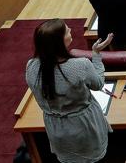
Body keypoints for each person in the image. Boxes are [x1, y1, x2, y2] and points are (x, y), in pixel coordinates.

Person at [25, 19, 115, 163]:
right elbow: (98, 84)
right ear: (59, 41)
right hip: (85, 127)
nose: (71, 30)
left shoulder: (31, 66)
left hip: (56, 129)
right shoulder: (81, 65)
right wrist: (96, 54)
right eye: (67, 31)